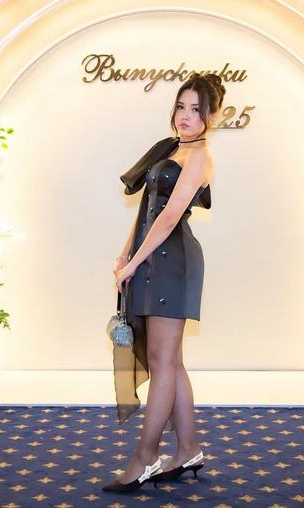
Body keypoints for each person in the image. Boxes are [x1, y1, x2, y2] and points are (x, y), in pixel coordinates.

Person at [102, 72, 225, 493]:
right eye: (181, 106)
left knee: (163, 361)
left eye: (196, 109)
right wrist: (125, 255)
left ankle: (145, 456)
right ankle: (188, 448)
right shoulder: (171, 149)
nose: (185, 116)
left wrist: (135, 262)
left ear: (213, 116)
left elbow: (170, 217)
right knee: (169, 361)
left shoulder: (201, 157)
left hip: (174, 263)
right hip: (152, 257)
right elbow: (147, 210)